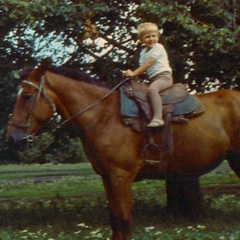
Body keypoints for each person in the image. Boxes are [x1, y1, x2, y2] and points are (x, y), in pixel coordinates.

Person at [123, 22, 173, 127]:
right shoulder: (143, 52)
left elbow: (149, 63)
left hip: (164, 77)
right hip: (154, 78)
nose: (151, 39)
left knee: (152, 90)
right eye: (147, 37)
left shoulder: (158, 47)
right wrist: (129, 75)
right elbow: (142, 68)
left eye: (154, 36)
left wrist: (133, 73)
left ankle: (158, 118)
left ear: (158, 37)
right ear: (141, 40)